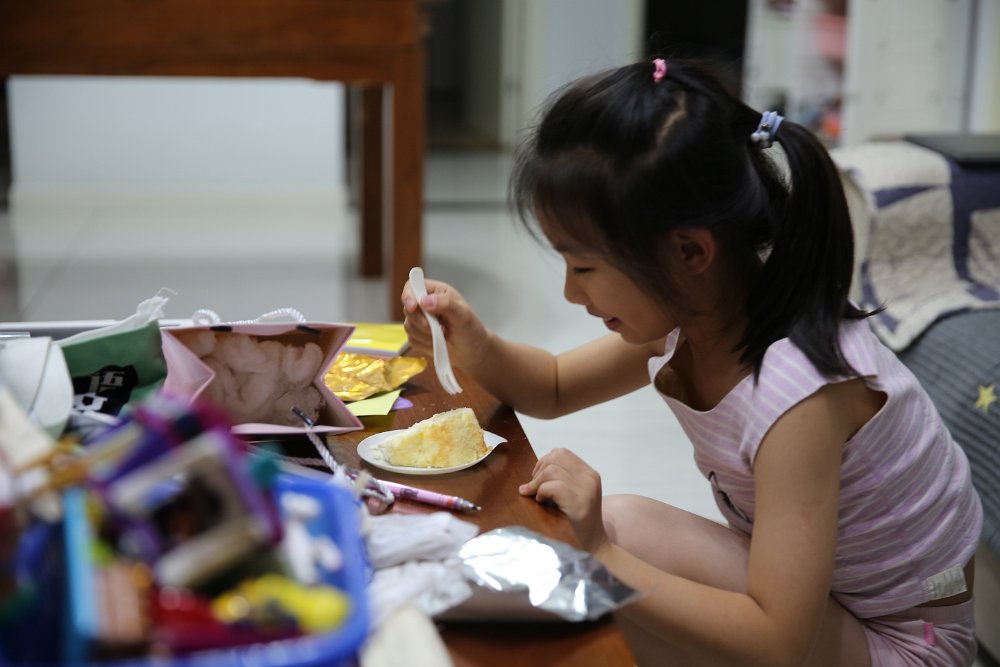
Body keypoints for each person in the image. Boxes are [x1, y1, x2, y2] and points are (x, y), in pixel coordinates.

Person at [400, 58, 983, 666]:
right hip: (831, 612)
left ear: (689, 252)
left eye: (585, 267)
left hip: (906, 646)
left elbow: (777, 642)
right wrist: (476, 343)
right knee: (613, 538)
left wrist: (603, 554)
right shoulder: (695, 313)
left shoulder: (798, 397)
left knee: (609, 555)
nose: (572, 293)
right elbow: (552, 386)